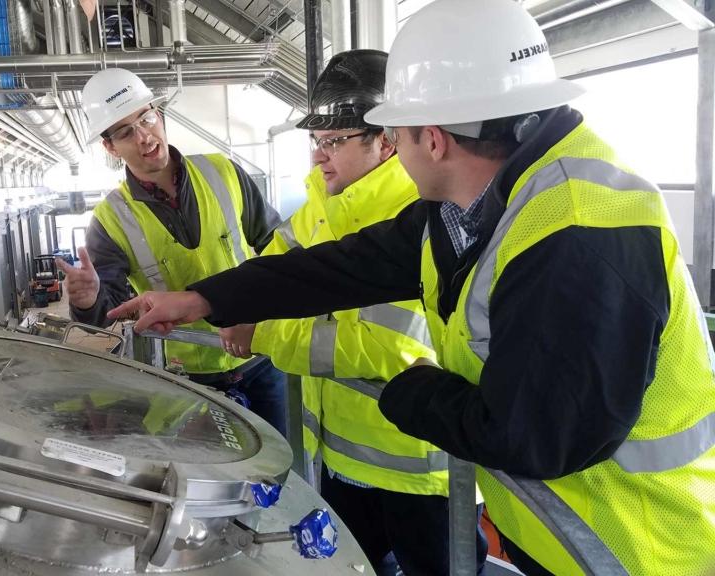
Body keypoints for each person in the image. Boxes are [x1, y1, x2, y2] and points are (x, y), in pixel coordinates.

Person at [106, 0, 715, 573]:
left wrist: (407, 390)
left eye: (395, 133)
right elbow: (344, 266)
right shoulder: (479, 203)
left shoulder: (577, 230)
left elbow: (535, 438)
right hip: (565, 532)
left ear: (432, 137)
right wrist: (205, 298)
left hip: (635, 548)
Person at [217, 49, 485, 576]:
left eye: (334, 141)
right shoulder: (321, 203)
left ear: (385, 140)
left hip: (421, 471)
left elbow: (390, 344)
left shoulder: (423, 213)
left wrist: (264, 334)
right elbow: (270, 275)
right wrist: (223, 301)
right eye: (316, 142)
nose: (319, 157)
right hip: (339, 459)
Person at [58, 67, 289, 437]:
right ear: (110, 147)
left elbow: (277, 250)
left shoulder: (223, 171)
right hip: (188, 377)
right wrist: (87, 299)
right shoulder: (110, 220)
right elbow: (106, 314)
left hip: (259, 355)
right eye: (124, 131)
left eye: (146, 117)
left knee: (276, 478)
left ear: (159, 114)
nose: (144, 136)